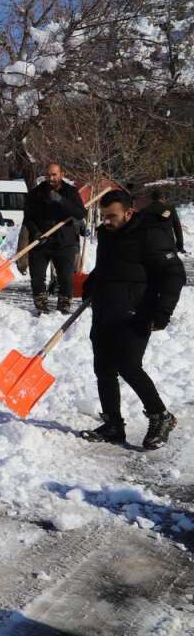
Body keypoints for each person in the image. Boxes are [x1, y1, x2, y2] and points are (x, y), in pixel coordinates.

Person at [79, 190, 185, 449]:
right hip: (105, 310)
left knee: (129, 366)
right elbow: (107, 266)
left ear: (129, 212)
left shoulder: (150, 235)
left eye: (112, 216)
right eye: (103, 216)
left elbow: (174, 274)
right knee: (103, 369)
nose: (106, 221)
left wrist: (162, 312)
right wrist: (92, 283)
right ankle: (113, 424)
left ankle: (161, 416)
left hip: (137, 313)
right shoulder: (107, 233)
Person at [25, 163, 86, 315]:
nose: (51, 178)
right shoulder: (36, 193)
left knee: (66, 276)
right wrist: (36, 232)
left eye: (54, 175)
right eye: (48, 175)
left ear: (61, 174)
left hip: (64, 241)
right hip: (41, 241)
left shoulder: (70, 192)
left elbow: (80, 213)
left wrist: (60, 200)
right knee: (37, 276)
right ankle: (41, 303)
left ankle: (64, 303)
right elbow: (28, 217)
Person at [143, 188, 185, 254]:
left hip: (151, 249)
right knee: (170, 260)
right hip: (169, 249)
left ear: (151, 198)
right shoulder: (170, 210)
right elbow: (177, 228)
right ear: (163, 198)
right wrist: (180, 246)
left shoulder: (145, 211)